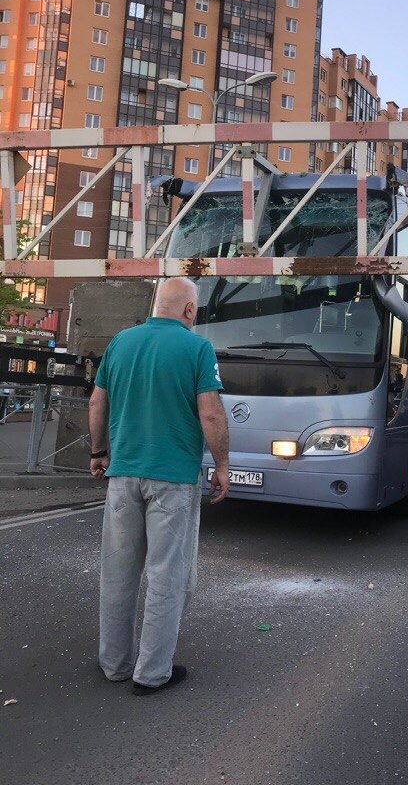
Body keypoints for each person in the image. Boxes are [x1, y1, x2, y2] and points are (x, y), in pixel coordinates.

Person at [88, 277, 230, 696]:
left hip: (122, 475)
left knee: (118, 572)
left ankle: (113, 663)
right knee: (167, 575)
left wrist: (99, 452)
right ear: (189, 310)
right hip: (173, 480)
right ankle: (151, 674)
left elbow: (97, 401)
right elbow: (210, 413)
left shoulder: (121, 343)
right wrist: (222, 464)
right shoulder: (197, 348)